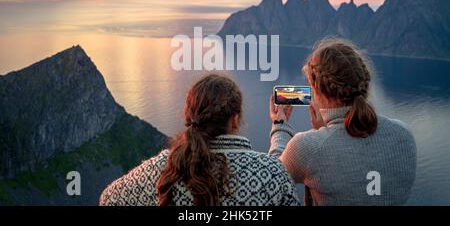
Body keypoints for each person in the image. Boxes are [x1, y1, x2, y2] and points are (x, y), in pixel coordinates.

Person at [100, 73, 299, 206]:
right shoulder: (271, 173)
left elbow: (108, 199)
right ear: (235, 120)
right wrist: (279, 124)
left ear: (190, 116)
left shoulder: (164, 168)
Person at [269, 38, 417, 205]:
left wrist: (280, 124)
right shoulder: (403, 135)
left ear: (318, 91)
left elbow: (271, 180)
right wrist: (325, 129)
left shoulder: (307, 147)